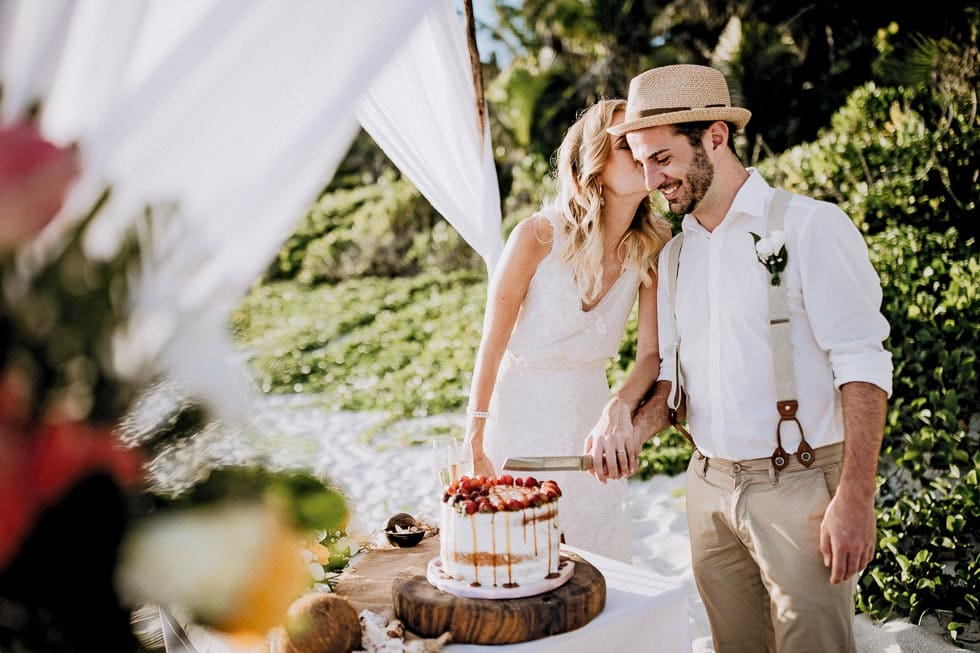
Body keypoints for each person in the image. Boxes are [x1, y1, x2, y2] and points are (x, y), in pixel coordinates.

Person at [594, 63, 893, 651]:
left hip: (801, 485)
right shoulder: (676, 256)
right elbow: (676, 390)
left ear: (714, 137)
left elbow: (863, 364)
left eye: (662, 158)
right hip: (706, 489)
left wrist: (856, 496)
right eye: (640, 160)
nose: (652, 179)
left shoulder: (810, 227)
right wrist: (632, 428)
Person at [466, 99, 672, 562]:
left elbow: (649, 357)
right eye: (625, 145)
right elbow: (492, 341)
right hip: (518, 419)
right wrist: (473, 434)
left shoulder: (653, 246)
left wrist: (618, 408)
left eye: (644, 144)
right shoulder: (537, 235)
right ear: (594, 162)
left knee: (598, 565)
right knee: (517, 563)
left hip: (590, 424)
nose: (641, 155)